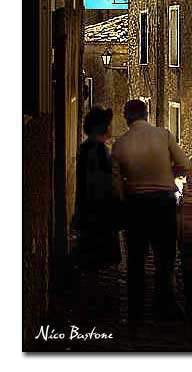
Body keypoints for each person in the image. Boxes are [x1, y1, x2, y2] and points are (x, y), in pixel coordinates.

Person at [111, 99, 192, 320]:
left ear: (126, 117)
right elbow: (186, 165)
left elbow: (116, 184)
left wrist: (124, 202)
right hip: (163, 203)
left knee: (136, 259)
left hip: (136, 204)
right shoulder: (164, 135)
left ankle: (135, 310)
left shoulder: (120, 144)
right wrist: (167, 174)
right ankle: (164, 305)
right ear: (146, 114)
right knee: (165, 257)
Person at [73, 106, 121, 271]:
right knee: (97, 259)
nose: (110, 128)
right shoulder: (97, 150)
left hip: (90, 209)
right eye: (107, 124)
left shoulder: (86, 148)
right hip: (98, 212)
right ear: (100, 127)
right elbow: (98, 182)